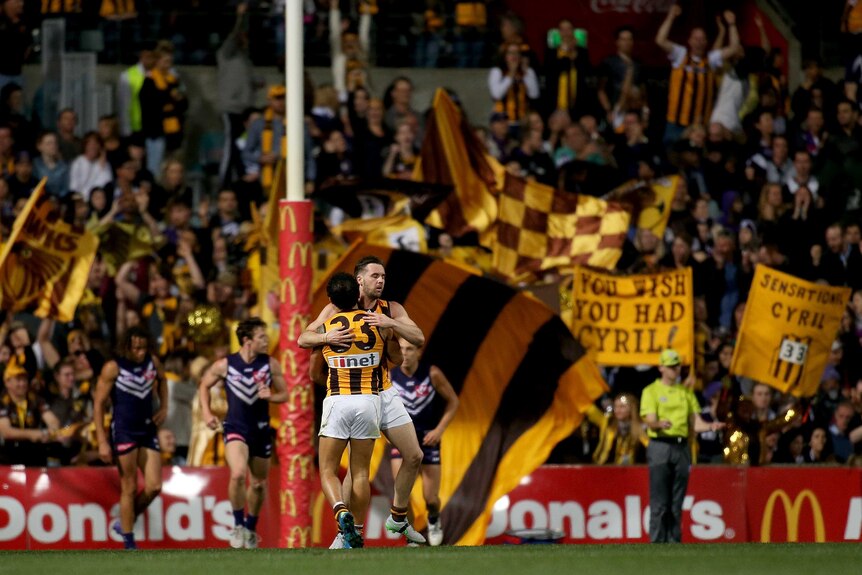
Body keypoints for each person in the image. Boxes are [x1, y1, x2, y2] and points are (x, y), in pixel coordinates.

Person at [299, 255, 427, 547]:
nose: (381, 281)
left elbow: (417, 338)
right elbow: (305, 336)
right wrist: (326, 337)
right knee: (355, 469)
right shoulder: (336, 307)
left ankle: (397, 517)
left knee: (414, 455)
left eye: (383, 276)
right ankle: (348, 534)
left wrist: (390, 323)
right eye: (375, 276)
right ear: (359, 280)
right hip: (358, 394)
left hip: (383, 390)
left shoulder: (391, 308)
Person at [313, 272, 402, 549]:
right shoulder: (377, 323)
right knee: (360, 472)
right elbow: (396, 359)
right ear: (358, 295)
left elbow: (304, 342)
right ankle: (358, 531)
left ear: (331, 300)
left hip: (338, 399)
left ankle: (341, 511)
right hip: (368, 400)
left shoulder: (328, 324)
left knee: (327, 470)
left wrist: (325, 337)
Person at [199, 317, 288, 549]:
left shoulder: (270, 364)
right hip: (235, 428)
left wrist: (272, 396)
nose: (267, 340)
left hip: (261, 430)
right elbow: (204, 386)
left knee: (258, 484)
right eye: (261, 337)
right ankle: (238, 526)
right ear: (247, 341)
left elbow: (285, 395)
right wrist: (207, 414)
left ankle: (250, 528)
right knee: (238, 474)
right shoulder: (225, 364)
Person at [93, 327, 168, 550]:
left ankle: (127, 518)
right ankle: (128, 541)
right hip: (124, 430)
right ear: (127, 347)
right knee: (129, 485)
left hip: (147, 429)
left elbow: (162, 381)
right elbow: (99, 403)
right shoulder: (113, 368)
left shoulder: (152, 362)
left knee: (154, 486)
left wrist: (164, 406)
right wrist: (102, 440)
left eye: (144, 347)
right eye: (136, 348)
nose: (140, 352)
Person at [640, 348, 723, 543]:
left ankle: (674, 541)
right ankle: (657, 542)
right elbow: (650, 420)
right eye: (670, 366)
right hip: (660, 445)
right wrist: (659, 424)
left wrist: (711, 425)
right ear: (661, 368)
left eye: (677, 366)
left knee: (677, 501)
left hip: (681, 446)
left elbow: (696, 422)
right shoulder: (651, 391)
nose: (674, 370)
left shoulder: (685, 393)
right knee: (660, 501)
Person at [389, 338, 459, 546]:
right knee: (401, 493)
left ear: (419, 352)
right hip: (402, 440)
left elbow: (453, 401)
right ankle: (410, 532)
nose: (405, 354)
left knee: (431, 498)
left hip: (428, 439)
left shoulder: (432, 374)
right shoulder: (389, 377)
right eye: (401, 349)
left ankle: (434, 519)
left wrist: (439, 429)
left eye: (410, 349)